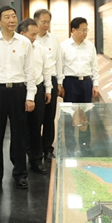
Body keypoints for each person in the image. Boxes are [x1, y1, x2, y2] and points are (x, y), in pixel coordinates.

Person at [0, 5, 36, 190]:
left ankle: (20, 174)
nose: (11, 20)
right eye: (7, 17)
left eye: (13, 16)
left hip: (18, 91)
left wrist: (31, 96)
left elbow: (30, 71)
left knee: (19, 135)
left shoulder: (24, 42)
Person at [17, 18, 51, 175]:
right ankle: (19, 161)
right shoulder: (15, 48)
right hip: (19, 90)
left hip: (37, 89)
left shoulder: (40, 48)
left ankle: (36, 160)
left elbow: (46, 70)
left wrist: (48, 89)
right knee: (20, 127)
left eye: (36, 34)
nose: (35, 37)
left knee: (36, 126)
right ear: (22, 33)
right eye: (32, 34)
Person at [34, 9, 62, 161]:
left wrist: (60, 82)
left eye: (48, 22)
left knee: (49, 117)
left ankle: (48, 148)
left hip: (51, 78)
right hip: (36, 81)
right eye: (43, 22)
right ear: (36, 21)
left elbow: (59, 62)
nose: (46, 25)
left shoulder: (54, 39)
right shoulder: (31, 38)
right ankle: (36, 148)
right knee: (36, 117)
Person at [58, 17, 99, 103]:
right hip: (70, 83)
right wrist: (60, 84)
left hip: (86, 82)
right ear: (73, 30)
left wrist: (96, 84)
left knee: (86, 109)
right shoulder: (64, 46)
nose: (85, 33)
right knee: (69, 109)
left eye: (86, 30)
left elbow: (94, 67)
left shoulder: (90, 46)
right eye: (82, 30)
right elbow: (60, 67)